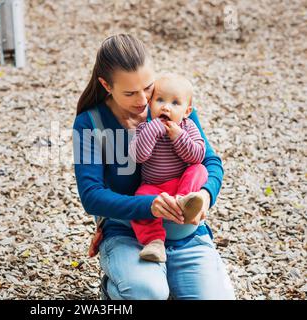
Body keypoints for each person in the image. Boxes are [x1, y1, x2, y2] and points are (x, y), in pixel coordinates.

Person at [72, 34, 235, 300]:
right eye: (129, 93)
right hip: (128, 233)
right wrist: (149, 206)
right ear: (106, 85)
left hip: (185, 233)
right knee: (146, 292)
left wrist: (205, 195)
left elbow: (209, 161)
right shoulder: (90, 123)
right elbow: (91, 196)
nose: (143, 101)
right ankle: (118, 287)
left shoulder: (169, 102)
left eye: (147, 88)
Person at [129, 73, 208, 263]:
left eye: (175, 103)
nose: (165, 106)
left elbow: (198, 155)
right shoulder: (144, 128)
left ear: (187, 111)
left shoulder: (188, 127)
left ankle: (184, 202)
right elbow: (138, 156)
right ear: (150, 104)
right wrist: (153, 130)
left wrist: (179, 137)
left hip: (180, 184)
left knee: (199, 170)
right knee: (140, 200)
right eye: (160, 100)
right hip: (153, 187)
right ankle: (154, 242)